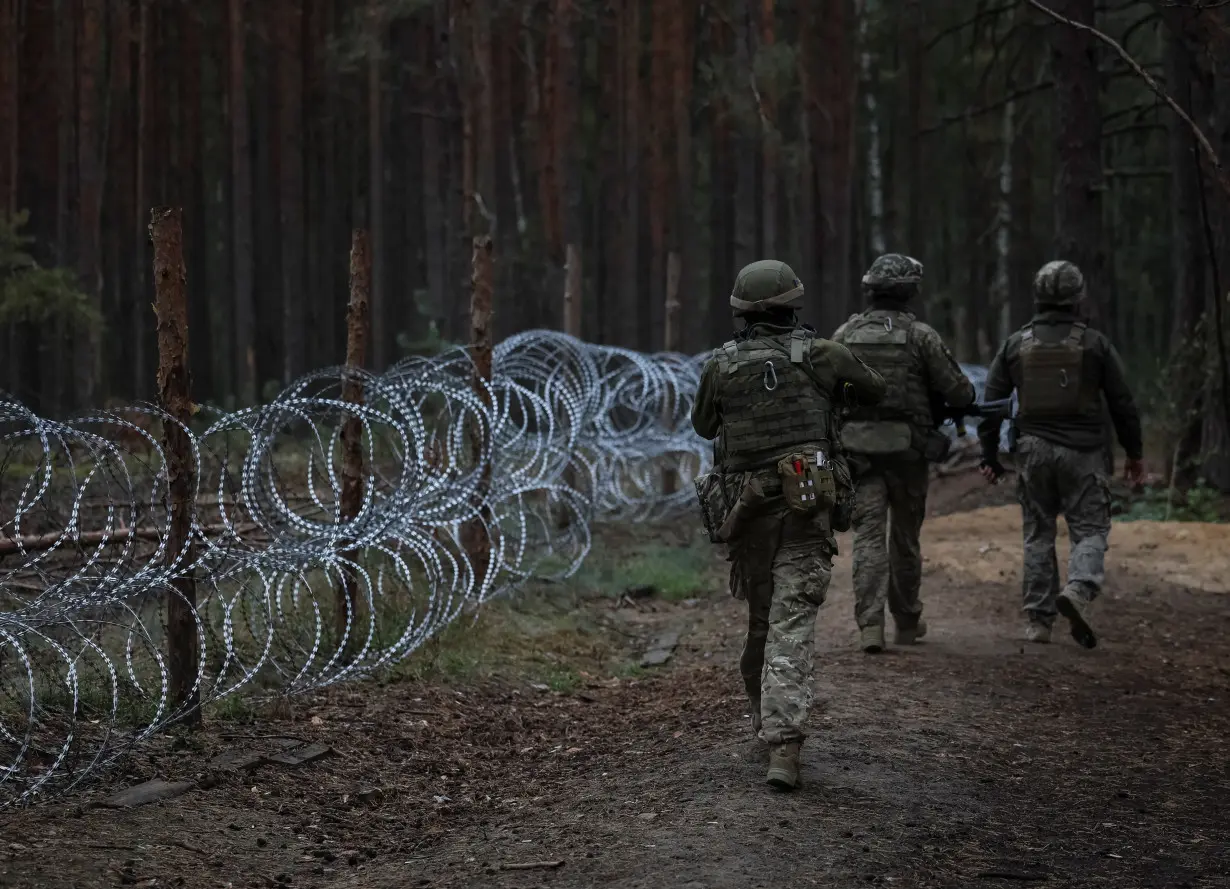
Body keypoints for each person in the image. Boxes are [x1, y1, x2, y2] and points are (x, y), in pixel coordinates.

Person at [692, 259, 885, 790]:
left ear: (740, 312)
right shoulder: (824, 355)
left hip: (747, 510)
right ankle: (784, 745)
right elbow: (876, 390)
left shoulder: (722, 363)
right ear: (794, 304)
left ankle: (763, 720)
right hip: (806, 506)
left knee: (761, 620)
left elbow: (703, 424)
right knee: (791, 624)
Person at [978, 260, 1144, 647]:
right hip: (1083, 452)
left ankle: (1038, 621)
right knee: (1090, 529)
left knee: (1038, 534)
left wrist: (990, 457)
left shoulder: (1016, 344)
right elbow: (1123, 403)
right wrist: (1134, 454)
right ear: (1077, 298)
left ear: (1038, 296)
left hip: (1032, 451)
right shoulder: (1094, 344)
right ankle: (1080, 589)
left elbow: (991, 404)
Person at [832, 254, 975, 653]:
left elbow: (826, 387)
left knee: (868, 538)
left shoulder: (845, 333)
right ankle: (907, 622)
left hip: (858, 454)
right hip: (908, 454)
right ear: (911, 291)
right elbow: (961, 392)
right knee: (905, 539)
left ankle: (870, 625)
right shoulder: (921, 336)